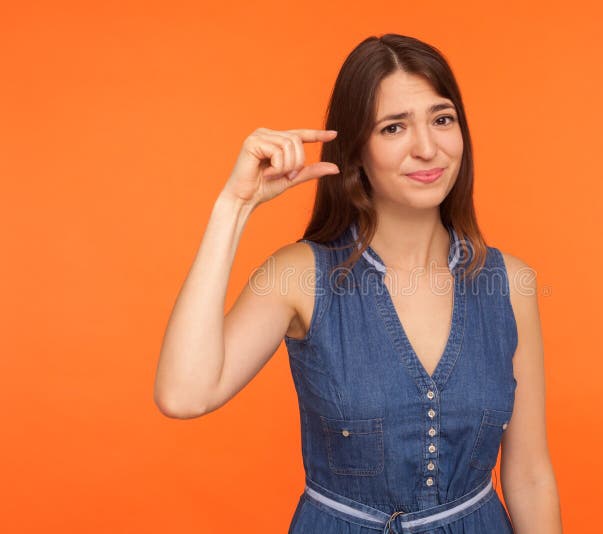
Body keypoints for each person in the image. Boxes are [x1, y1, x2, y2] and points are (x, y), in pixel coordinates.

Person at [154, 33, 562, 533]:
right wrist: (234, 207)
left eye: (442, 118)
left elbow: (530, 476)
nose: (428, 147)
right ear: (356, 151)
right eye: (394, 127)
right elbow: (183, 394)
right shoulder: (299, 276)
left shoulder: (510, 284)